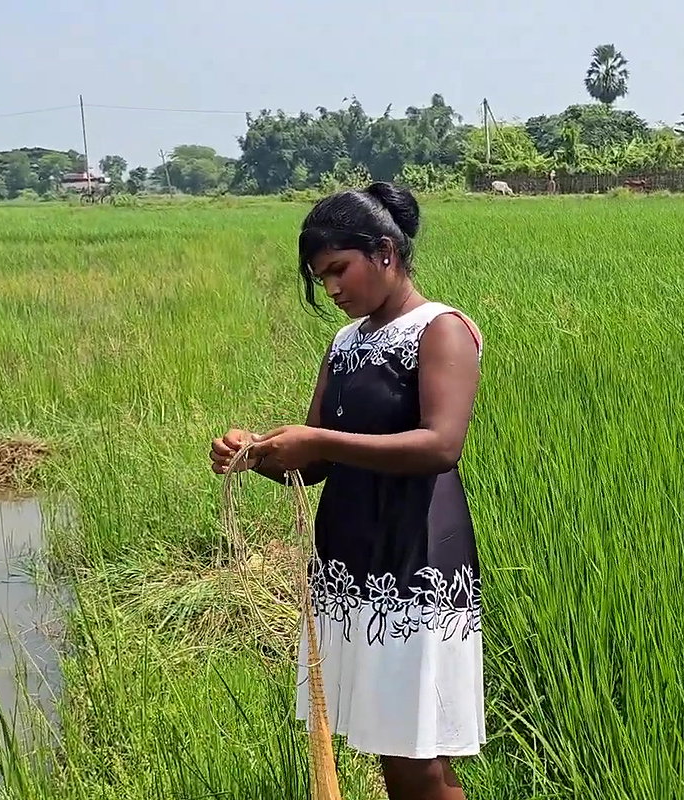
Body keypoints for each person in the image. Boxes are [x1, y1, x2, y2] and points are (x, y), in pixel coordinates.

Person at [211, 182, 485, 800]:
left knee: (416, 760)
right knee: (392, 747)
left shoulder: (440, 330)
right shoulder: (345, 345)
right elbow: (311, 465)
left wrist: (320, 442)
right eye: (320, 277)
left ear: (385, 252)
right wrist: (254, 454)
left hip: (416, 564)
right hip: (351, 560)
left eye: (338, 269)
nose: (332, 289)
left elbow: (441, 445)